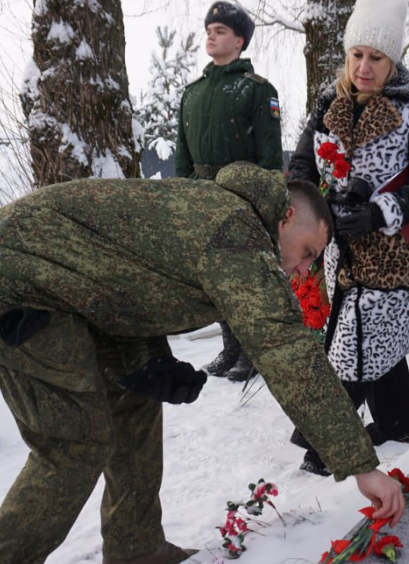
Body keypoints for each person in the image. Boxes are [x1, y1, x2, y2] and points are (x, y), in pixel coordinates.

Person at [0, 162, 405, 564]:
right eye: (308, 252)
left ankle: (133, 548)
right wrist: (360, 464)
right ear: (285, 217)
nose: (305, 269)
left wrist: (146, 359)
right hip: (15, 281)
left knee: (135, 400)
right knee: (74, 442)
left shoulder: (222, 217)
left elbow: (128, 277)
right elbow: (284, 347)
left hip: (63, 286)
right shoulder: (235, 233)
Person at [286, 0, 409, 475]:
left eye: (376, 58)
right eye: (356, 54)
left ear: (393, 60)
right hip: (339, 244)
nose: (363, 67)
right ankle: (400, 423)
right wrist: (315, 209)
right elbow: (301, 165)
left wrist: (381, 211)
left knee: (357, 340)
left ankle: (326, 447)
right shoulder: (328, 101)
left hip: (393, 249)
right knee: (368, 332)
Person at [175, 1, 284, 383]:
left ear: (239, 41)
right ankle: (231, 348)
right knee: (213, 278)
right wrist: (184, 197)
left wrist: (263, 204)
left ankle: (252, 352)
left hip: (241, 199)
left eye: (220, 30)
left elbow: (270, 160)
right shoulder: (192, 94)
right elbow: (181, 158)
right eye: (209, 29)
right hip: (200, 197)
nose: (211, 35)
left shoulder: (257, 90)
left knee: (243, 279)